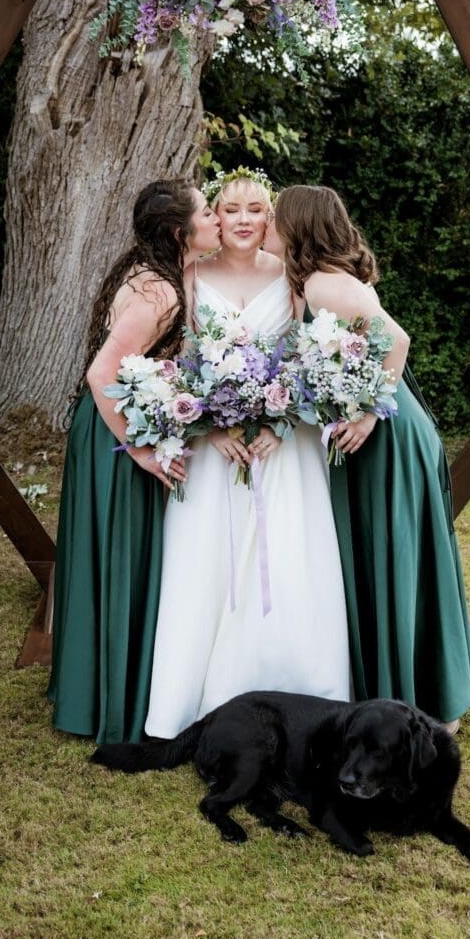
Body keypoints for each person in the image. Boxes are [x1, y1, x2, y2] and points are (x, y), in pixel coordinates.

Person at [271, 184, 470, 731]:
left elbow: (396, 339)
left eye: (277, 218)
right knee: (378, 551)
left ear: (298, 226)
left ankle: (424, 696)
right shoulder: (308, 282)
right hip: (365, 433)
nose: (271, 228)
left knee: (395, 552)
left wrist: (369, 412)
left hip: (389, 435)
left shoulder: (327, 284)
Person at [144, 171, 351, 740]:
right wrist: (209, 428)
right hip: (216, 449)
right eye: (228, 209)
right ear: (213, 216)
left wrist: (282, 423)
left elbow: (312, 359)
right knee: (207, 563)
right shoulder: (186, 277)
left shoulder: (294, 278)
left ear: (271, 218)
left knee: (287, 560)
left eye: (255, 209)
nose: (241, 220)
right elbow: (177, 363)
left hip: (284, 449)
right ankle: (195, 705)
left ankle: (300, 691)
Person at [48, 180, 221, 744]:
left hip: (116, 426)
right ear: (180, 232)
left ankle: (99, 689)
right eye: (208, 212)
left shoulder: (163, 275)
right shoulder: (158, 293)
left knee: (117, 557)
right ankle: (108, 702)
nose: (218, 218)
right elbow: (102, 374)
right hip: (115, 436)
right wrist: (142, 452)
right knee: (120, 556)